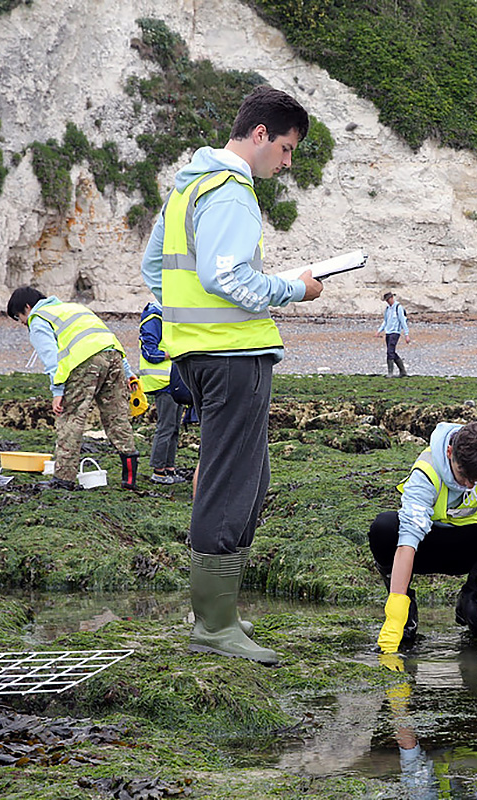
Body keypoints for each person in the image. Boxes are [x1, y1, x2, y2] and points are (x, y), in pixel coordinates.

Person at [140, 85, 324, 665]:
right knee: (232, 483)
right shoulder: (231, 191)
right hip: (233, 356)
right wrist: (294, 288)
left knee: (249, 478)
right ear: (260, 134)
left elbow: (154, 268)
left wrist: (187, 322)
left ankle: (220, 613)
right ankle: (214, 625)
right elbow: (226, 277)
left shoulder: (188, 187)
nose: (287, 163)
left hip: (198, 356)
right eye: (287, 148)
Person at [370, 421, 477, 652]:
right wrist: (395, 608)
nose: (469, 485)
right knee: (384, 528)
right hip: (425, 547)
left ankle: (471, 601)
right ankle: (406, 612)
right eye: (463, 475)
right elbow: (408, 541)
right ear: (450, 452)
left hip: (469, 545)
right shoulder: (426, 472)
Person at [6, 287, 139, 490]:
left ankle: (63, 479)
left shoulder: (39, 319)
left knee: (71, 418)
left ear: (27, 307)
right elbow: (108, 338)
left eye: (19, 316)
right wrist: (128, 372)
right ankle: (129, 479)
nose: (22, 322)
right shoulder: (76, 308)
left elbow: (52, 359)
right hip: (113, 358)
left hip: (85, 363)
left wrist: (57, 391)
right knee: (117, 416)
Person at [138, 300, 196, 485]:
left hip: (174, 382)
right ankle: (158, 471)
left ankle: (169, 468)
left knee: (174, 428)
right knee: (166, 427)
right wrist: (176, 353)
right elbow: (150, 352)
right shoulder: (154, 317)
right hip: (163, 382)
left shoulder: (167, 317)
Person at [376, 290, 411, 377]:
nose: (387, 302)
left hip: (395, 332)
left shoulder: (398, 307)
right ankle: (403, 371)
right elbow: (385, 321)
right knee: (391, 352)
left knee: (390, 351)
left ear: (392, 298)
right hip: (388, 332)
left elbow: (403, 321)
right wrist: (379, 330)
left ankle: (390, 373)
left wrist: (406, 334)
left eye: (388, 300)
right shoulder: (388, 309)